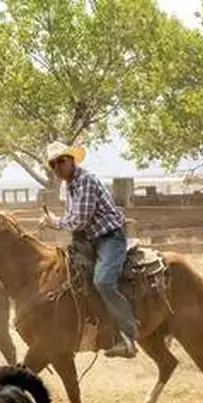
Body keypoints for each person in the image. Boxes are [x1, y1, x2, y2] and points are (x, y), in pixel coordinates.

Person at [38, 141, 137, 358]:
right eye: (53, 164)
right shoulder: (69, 186)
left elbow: (79, 220)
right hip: (90, 240)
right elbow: (74, 220)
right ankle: (89, 327)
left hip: (110, 238)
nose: (57, 167)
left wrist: (54, 222)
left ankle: (128, 337)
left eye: (61, 161)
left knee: (103, 281)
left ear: (72, 160)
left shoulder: (86, 181)